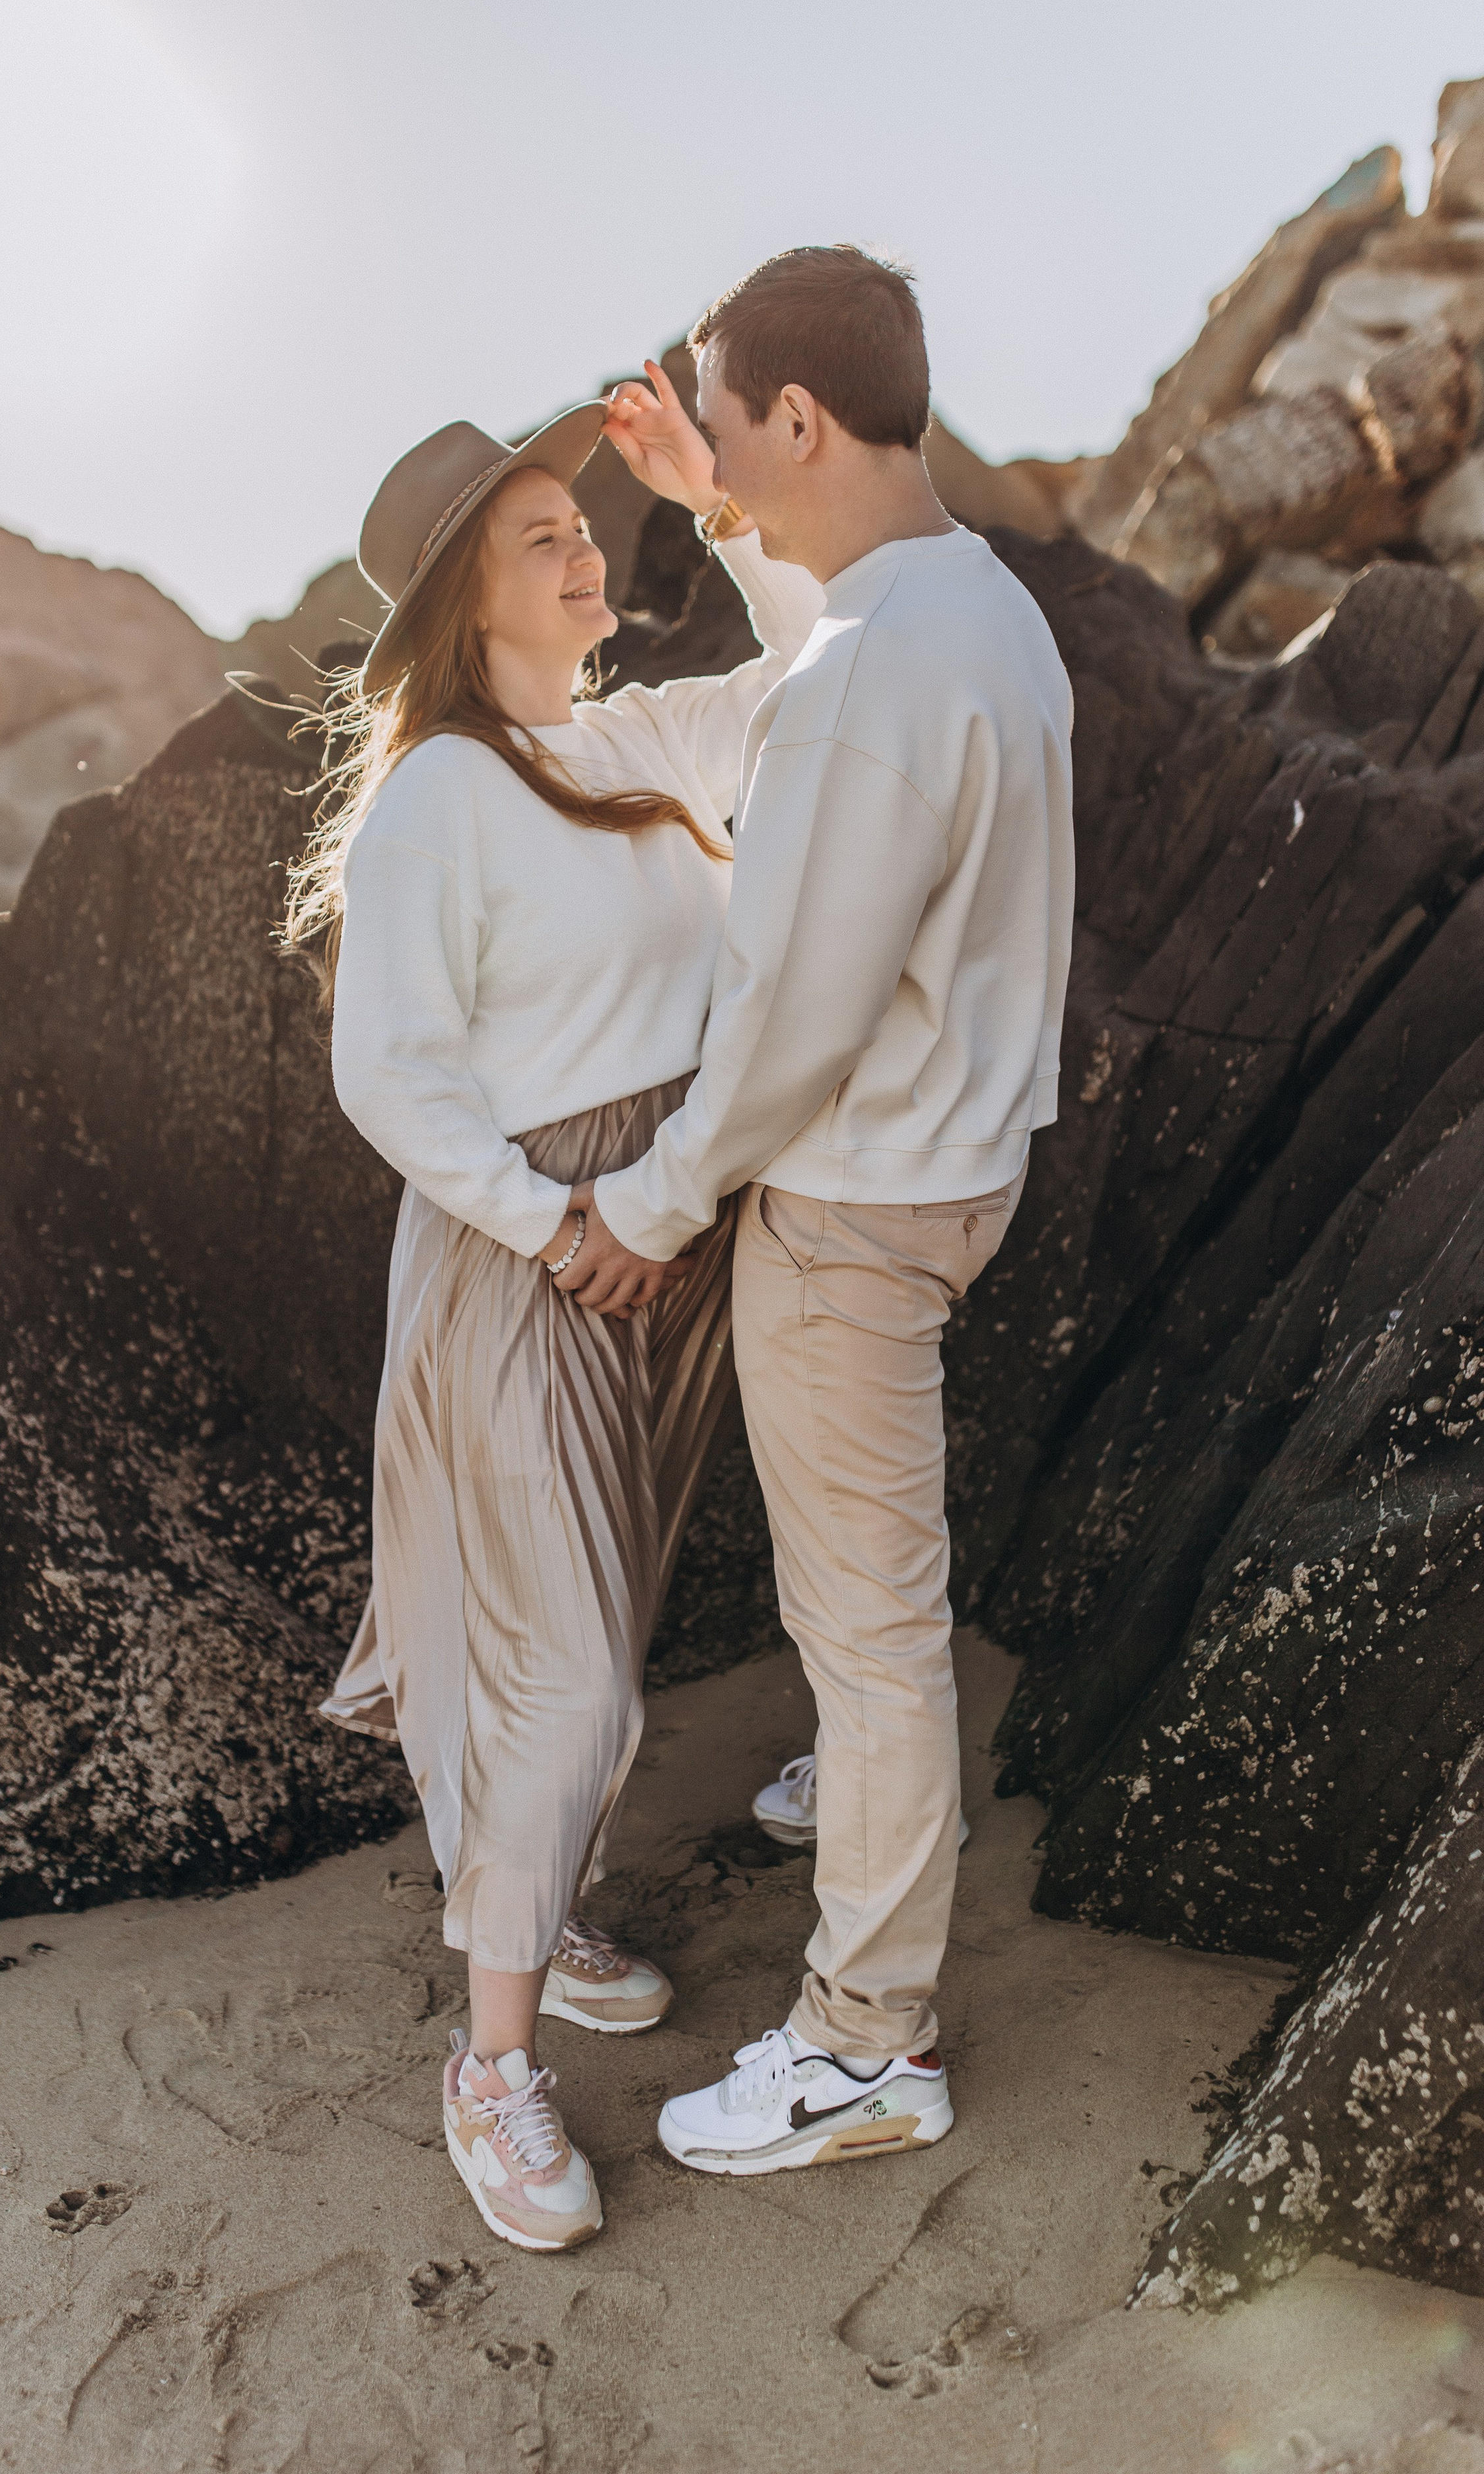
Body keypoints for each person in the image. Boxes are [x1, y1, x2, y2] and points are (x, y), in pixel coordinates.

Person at [554, 246, 1075, 2176]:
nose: (711, 454)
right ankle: (877, 1789)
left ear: (799, 415)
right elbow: (828, 651)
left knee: (869, 1632)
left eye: (728, 414)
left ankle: (867, 2042)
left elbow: (786, 1021)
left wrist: (659, 1205)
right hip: (960, 1176)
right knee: (878, 1624)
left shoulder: (872, 681)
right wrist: (715, 503)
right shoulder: (974, 607)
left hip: (851, 1216)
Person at [283, 395, 821, 2251]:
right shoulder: (442, 792)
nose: (590, 547)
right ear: (465, 597)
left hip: (666, 1224)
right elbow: (390, 1071)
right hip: (532, 1249)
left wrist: (726, 505)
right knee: (572, 1673)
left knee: (604, 1611)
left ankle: (545, 1900)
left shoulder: (641, 743)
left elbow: (827, 670)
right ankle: (492, 2071)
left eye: (585, 525)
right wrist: (548, 1221)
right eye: (544, 535)